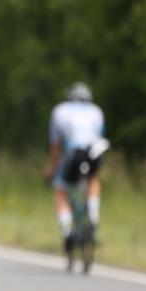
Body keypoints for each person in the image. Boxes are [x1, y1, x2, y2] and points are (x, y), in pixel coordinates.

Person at [43, 82, 105, 250]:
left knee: (61, 190)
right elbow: (99, 137)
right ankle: (93, 218)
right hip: (94, 151)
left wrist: (52, 169)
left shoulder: (60, 110)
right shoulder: (96, 111)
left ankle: (67, 233)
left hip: (74, 152)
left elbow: (56, 146)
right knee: (93, 178)